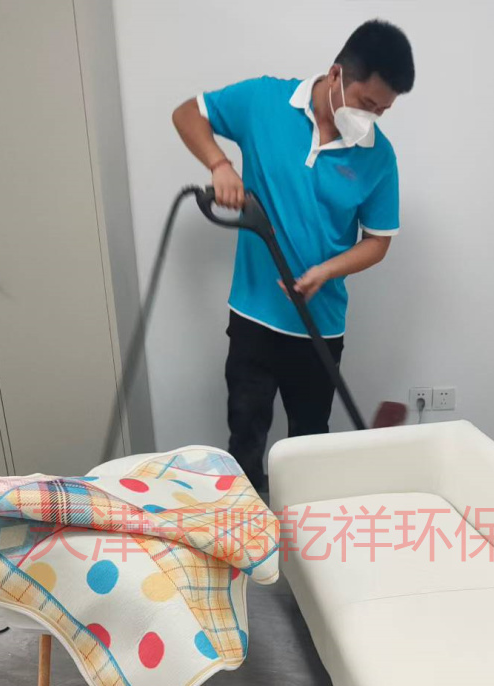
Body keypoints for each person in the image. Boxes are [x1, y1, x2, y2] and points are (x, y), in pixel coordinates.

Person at [173, 20, 415, 491]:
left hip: (320, 326)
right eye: (367, 103)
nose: (371, 117)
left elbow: (377, 241)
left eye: (382, 111)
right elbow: (187, 114)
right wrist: (220, 165)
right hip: (253, 316)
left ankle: (303, 532)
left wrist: (326, 271)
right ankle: (248, 529)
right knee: (245, 440)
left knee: (308, 450)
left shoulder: (378, 157)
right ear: (336, 74)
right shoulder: (264, 102)